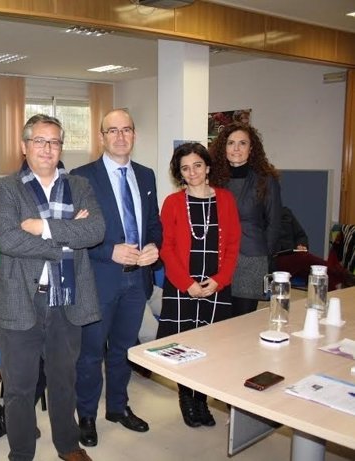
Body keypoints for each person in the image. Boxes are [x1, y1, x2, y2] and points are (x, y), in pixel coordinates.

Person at [0, 114, 105, 461]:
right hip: (19, 299)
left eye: (54, 141)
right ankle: (21, 452)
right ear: (24, 147)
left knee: (63, 379)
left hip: (66, 298)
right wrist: (66, 236)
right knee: (20, 386)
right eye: (39, 141)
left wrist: (42, 226)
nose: (47, 149)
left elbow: (96, 231)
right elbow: (7, 240)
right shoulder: (5, 187)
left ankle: (67, 444)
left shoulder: (79, 186)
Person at [71, 108, 162, 446]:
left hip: (137, 281)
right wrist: (107, 250)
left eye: (127, 130)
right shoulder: (81, 178)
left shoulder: (147, 175)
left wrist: (154, 246)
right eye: (113, 131)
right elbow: (74, 234)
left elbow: (153, 224)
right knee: (91, 353)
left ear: (134, 134)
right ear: (101, 137)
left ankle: (118, 407)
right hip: (99, 280)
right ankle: (88, 415)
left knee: (124, 349)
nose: (121, 137)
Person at [157, 142, 241, 428]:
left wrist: (219, 281)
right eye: (184, 168)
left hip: (215, 286)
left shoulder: (226, 200)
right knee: (184, 345)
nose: (191, 172)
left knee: (209, 347)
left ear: (207, 167)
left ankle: (201, 399)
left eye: (196, 165)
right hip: (183, 287)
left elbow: (232, 245)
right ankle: (186, 398)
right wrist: (186, 284)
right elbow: (166, 248)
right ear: (179, 173)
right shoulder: (172, 203)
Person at [210, 121, 282, 316]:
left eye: (242, 143)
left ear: (251, 148)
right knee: (217, 319)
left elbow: (274, 223)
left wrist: (263, 256)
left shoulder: (265, 179)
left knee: (242, 320)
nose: (236, 148)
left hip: (250, 259)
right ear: (223, 147)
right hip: (218, 259)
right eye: (231, 142)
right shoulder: (213, 180)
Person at [275, 206, 355, 290]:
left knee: (312, 269)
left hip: (295, 253)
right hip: (277, 257)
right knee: (306, 259)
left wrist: (302, 245)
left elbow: (301, 235)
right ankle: (345, 276)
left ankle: (339, 287)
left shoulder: (285, 212)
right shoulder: (264, 216)